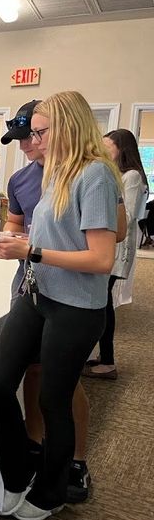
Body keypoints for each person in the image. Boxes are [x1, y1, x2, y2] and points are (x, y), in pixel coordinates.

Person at [0, 91, 122, 520]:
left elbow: (101, 258)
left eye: (41, 132)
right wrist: (21, 247)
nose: (34, 141)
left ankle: (52, 489)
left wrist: (31, 251)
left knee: (52, 399)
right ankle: (18, 469)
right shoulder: (51, 174)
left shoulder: (94, 175)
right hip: (37, 295)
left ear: (67, 127)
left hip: (76, 306)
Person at [84, 129, 149, 379]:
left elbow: (129, 215)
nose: (103, 151)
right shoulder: (113, 174)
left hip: (115, 247)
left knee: (103, 305)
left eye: (107, 146)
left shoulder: (130, 176)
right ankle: (104, 356)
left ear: (121, 149)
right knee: (103, 303)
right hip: (108, 243)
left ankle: (108, 361)